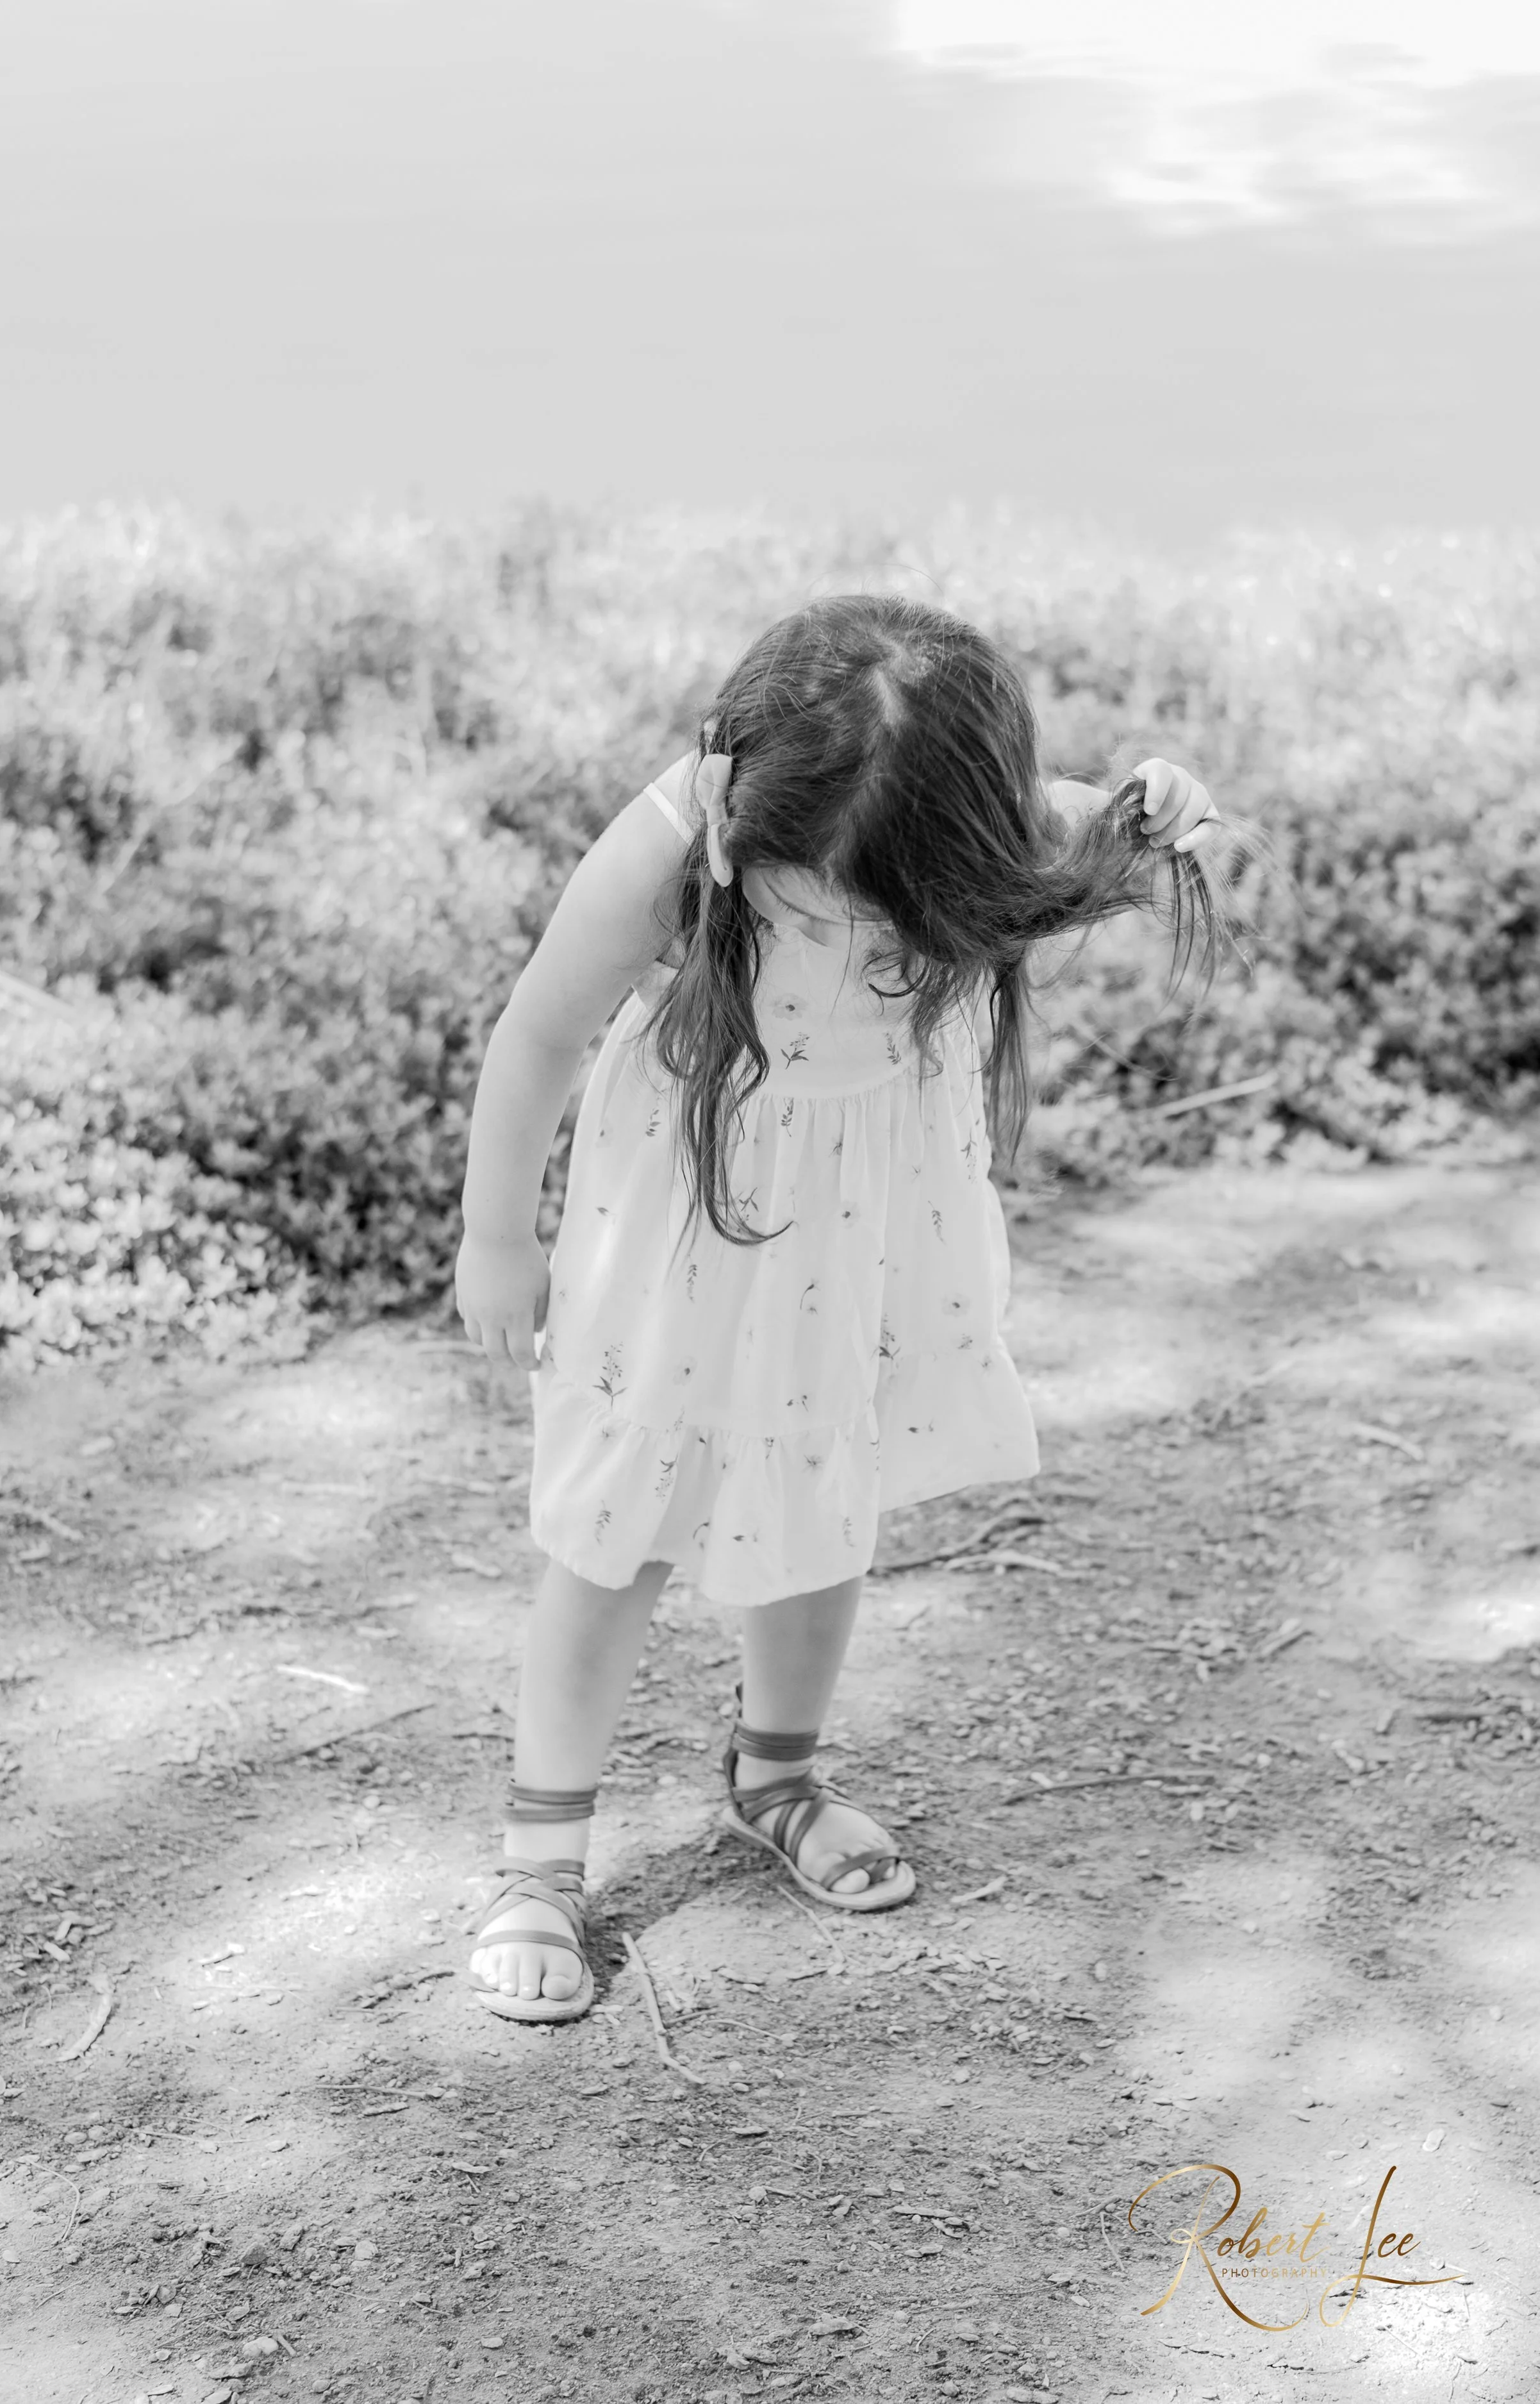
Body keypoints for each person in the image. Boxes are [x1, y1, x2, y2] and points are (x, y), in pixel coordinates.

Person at [454, 593, 1226, 2021]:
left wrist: (1152, 807)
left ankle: (778, 1777)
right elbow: (540, 1032)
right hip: (683, 1222)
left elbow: (1093, 818)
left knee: (822, 1486)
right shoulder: (676, 840)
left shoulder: (975, 829)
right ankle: (540, 1861)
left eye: (886, 922)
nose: (846, 933)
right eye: (806, 907)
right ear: (742, 816)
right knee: (615, 1530)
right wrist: (496, 1235)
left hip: (863, 1223)